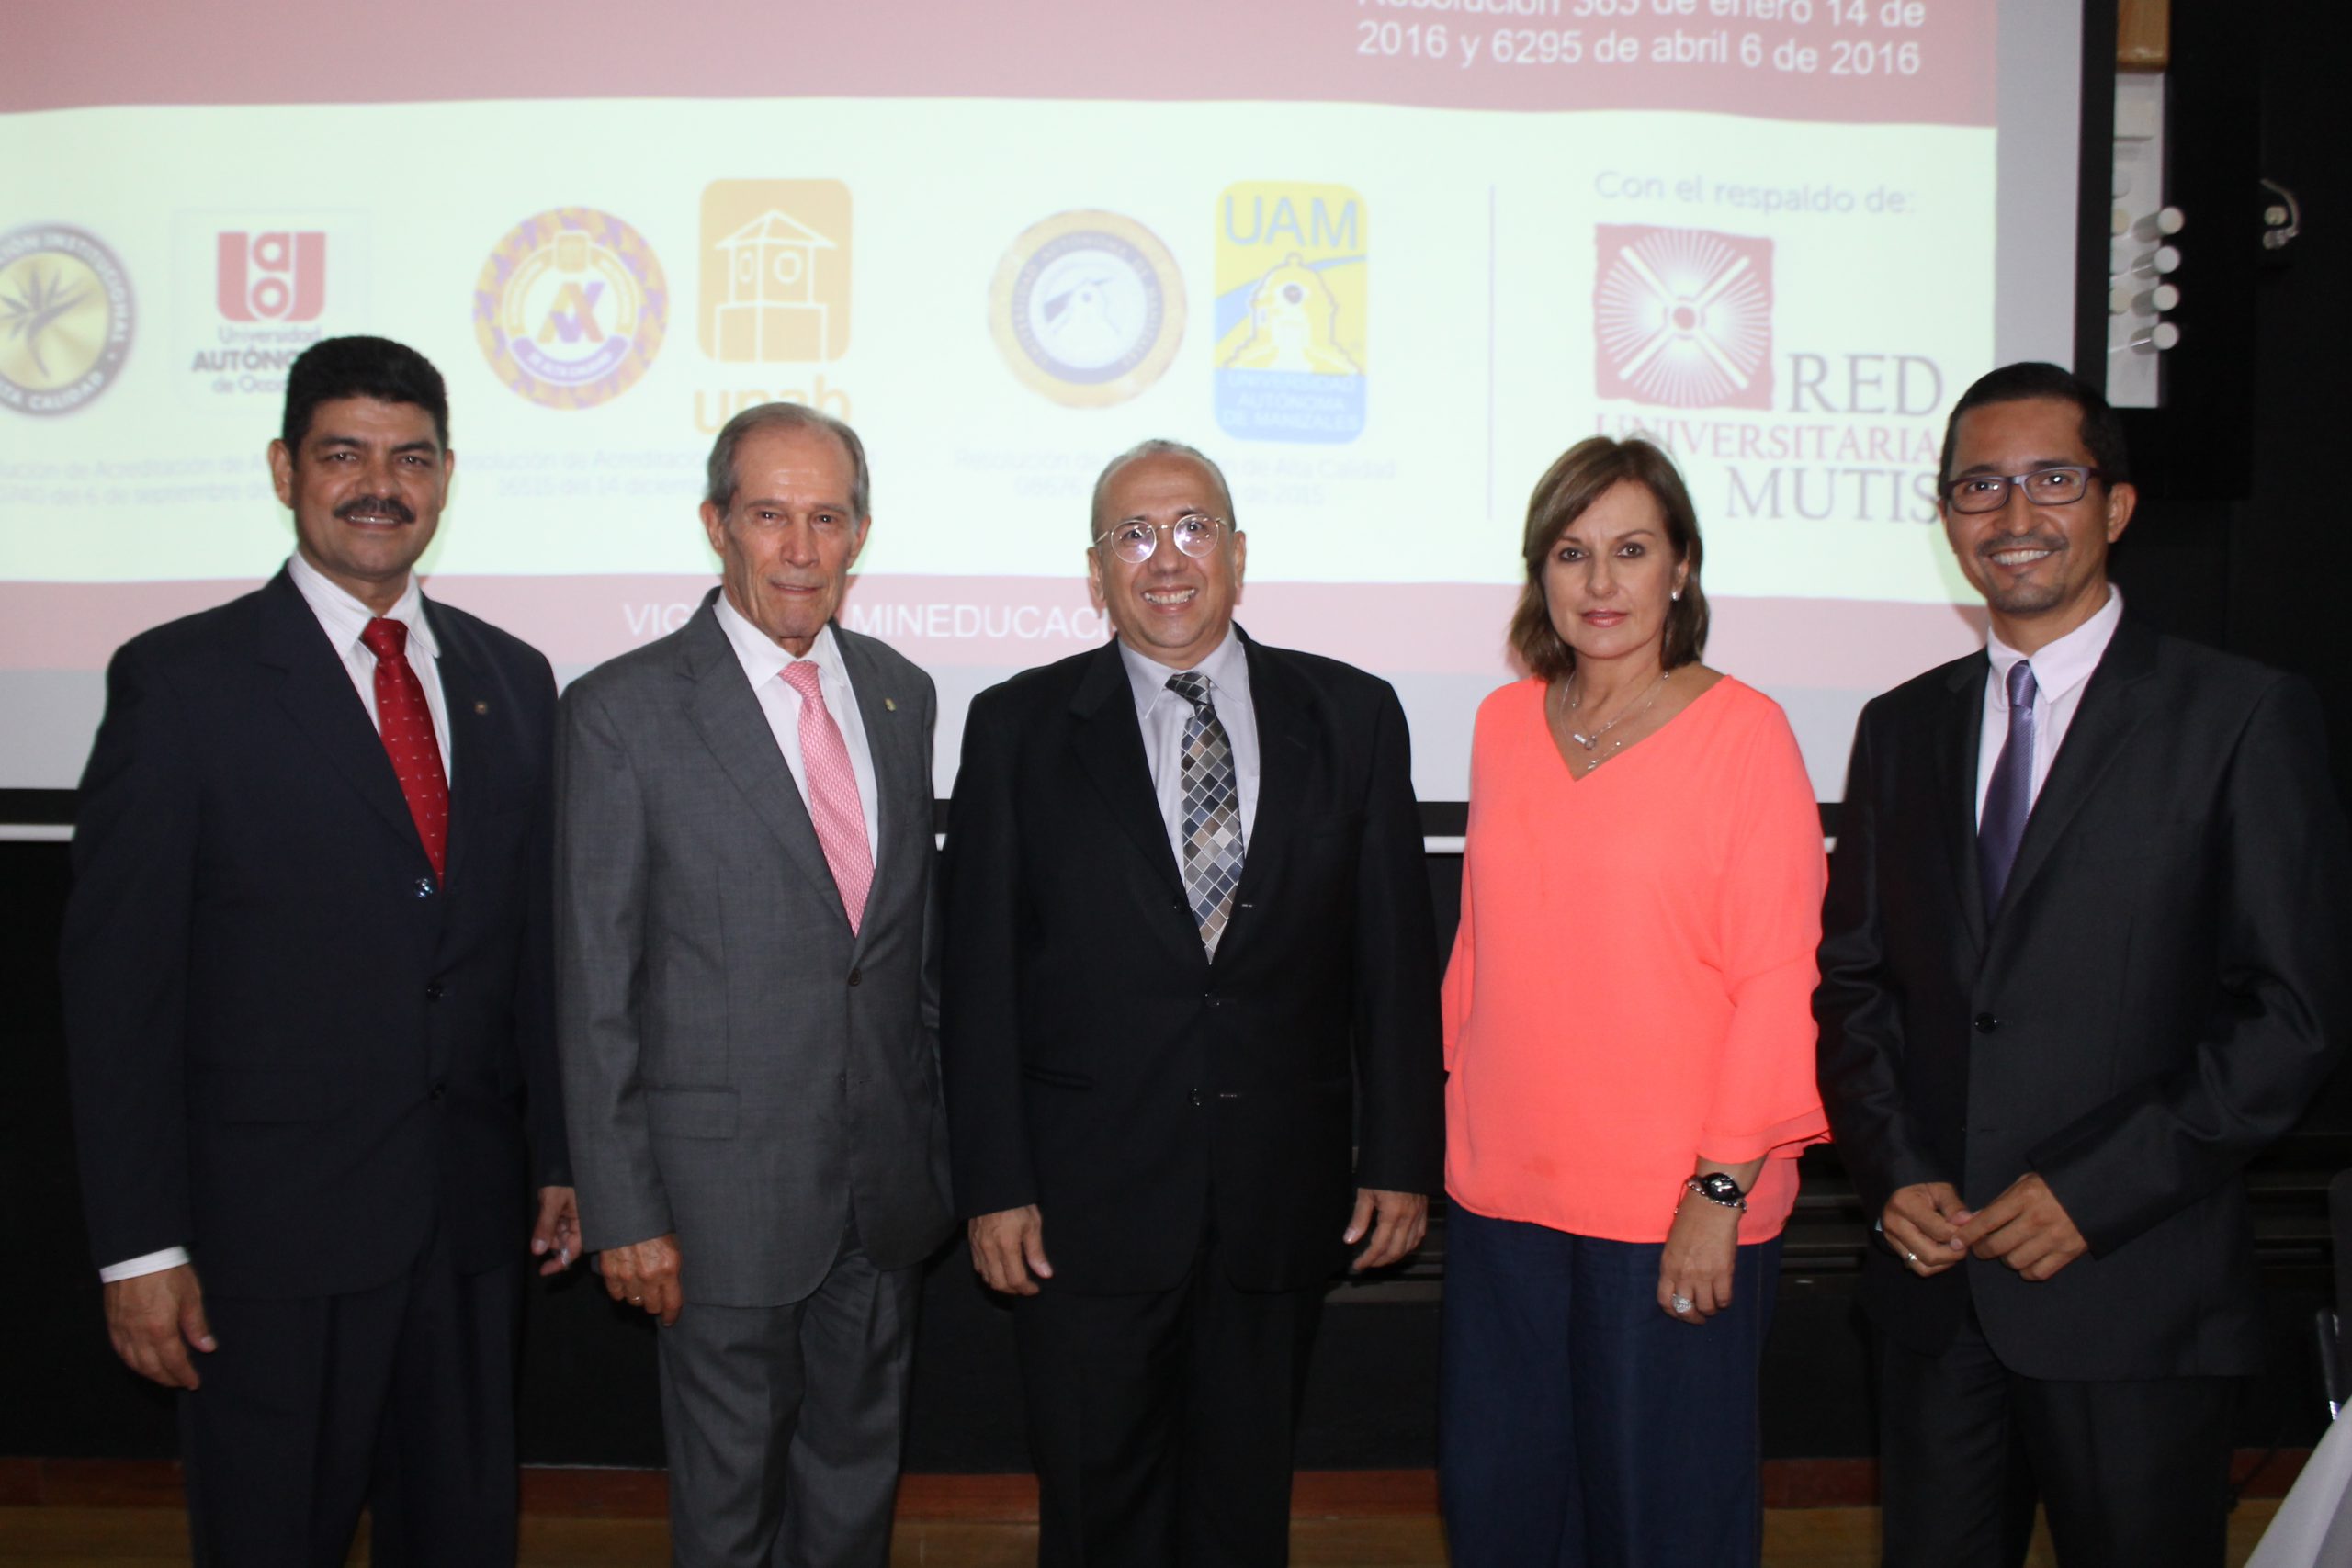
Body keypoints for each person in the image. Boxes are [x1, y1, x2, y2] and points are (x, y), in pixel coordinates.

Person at [1815, 362, 2352, 1567]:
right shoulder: (1898, 727)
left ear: (2116, 504)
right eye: (1979, 486)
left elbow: (2294, 1013)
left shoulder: (2239, 716)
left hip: (2135, 1289)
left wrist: (2091, 1193)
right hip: (1933, 1289)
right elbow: (1855, 984)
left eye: (2051, 479)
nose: (2013, 514)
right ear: (1946, 516)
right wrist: (1892, 1170)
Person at [62, 335, 576, 1566]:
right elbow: (120, 990)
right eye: (345, 454)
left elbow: (530, 955)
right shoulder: (181, 683)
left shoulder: (513, 678)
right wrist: (141, 1246)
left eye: (411, 458)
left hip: (466, 1232)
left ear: (446, 475)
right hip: (267, 1248)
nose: (379, 485)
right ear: (285, 468)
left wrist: (561, 1157)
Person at [940, 438, 1444, 1568]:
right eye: (1132, 534)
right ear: (1095, 571)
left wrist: (1402, 1157)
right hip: (1081, 1210)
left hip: (1279, 1199)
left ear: (1238, 553)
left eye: (1192, 528)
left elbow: (1393, 962)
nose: (1165, 558)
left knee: (1241, 1515)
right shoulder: (1017, 727)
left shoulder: (1352, 714)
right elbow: (975, 979)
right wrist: (994, 1184)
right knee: (1096, 1516)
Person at [556, 401, 952, 1568]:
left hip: (882, 1192)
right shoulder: (620, 713)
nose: (799, 548)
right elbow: (595, 987)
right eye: (770, 515)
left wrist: (935, 1153)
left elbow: (904, 956)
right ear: (715, 524)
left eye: (826, 518)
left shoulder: (901, 693)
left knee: (854, 1492)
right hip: (714, 1206)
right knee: (730, 1513)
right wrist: (624, 1209)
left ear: (859, 534)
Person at [1436, 435, 1828, 1567]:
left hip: (1669, 1210)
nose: (1599, 582)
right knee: (1506, 1513)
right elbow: (1483, 949)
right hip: (1505, 1199)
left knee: (1665, 1526)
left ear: (1682, 568)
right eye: (1571, 553)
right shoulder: (1502, 724)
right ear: (1539, 574)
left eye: (1631, 550)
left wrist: (1718, 1190)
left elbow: (1779, 980)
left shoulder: (1745, 732)